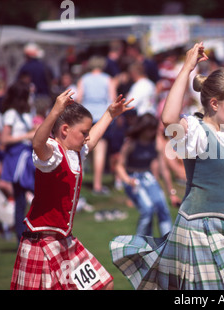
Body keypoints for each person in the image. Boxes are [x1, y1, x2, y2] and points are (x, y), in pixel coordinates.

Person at [110, 27, 224, 290]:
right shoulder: (195, 131)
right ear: (216, 104)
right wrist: (185, 69)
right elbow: (169, 120)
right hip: (199, 230)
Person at [10, 89, 134, 290]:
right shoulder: (51, 153)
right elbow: (37, 143)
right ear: (65, 130)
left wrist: (110, 114)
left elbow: (92, 140)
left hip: (64, 239)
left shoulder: (75, 152)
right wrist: (55, 110)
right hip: (41, 241)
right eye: (83, 132)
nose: (87, 137)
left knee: (104, 284)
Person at [114, 113, 180, 237]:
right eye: (149, 129)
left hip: (148, 176)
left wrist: (172, 193)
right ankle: (141, 243)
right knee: (147, 209)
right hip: (132, 177)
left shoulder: (156, 142)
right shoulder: (132, 143)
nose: (152, 132)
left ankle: (168, 242)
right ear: (143, 128)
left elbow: (163, 169)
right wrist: (127, 180)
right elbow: (119, 166)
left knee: (162, 207)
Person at [0, 81, 36, 243]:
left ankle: (28, 234)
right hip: (18, 160)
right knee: (21, 199)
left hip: (26, 157)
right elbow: (4, 139)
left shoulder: (25, 113)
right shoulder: (11, 114)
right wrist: (26, 136)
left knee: (24, 198)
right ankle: (22, 237)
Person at [77, 55, 116, 195]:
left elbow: (79, 98)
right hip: (101, 117)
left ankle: (76, 183)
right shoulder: (107, 79)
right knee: (100, 151)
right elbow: (112, 99)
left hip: (86, 117)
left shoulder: (84, 79)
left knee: (81, 151)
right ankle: (97, 185)